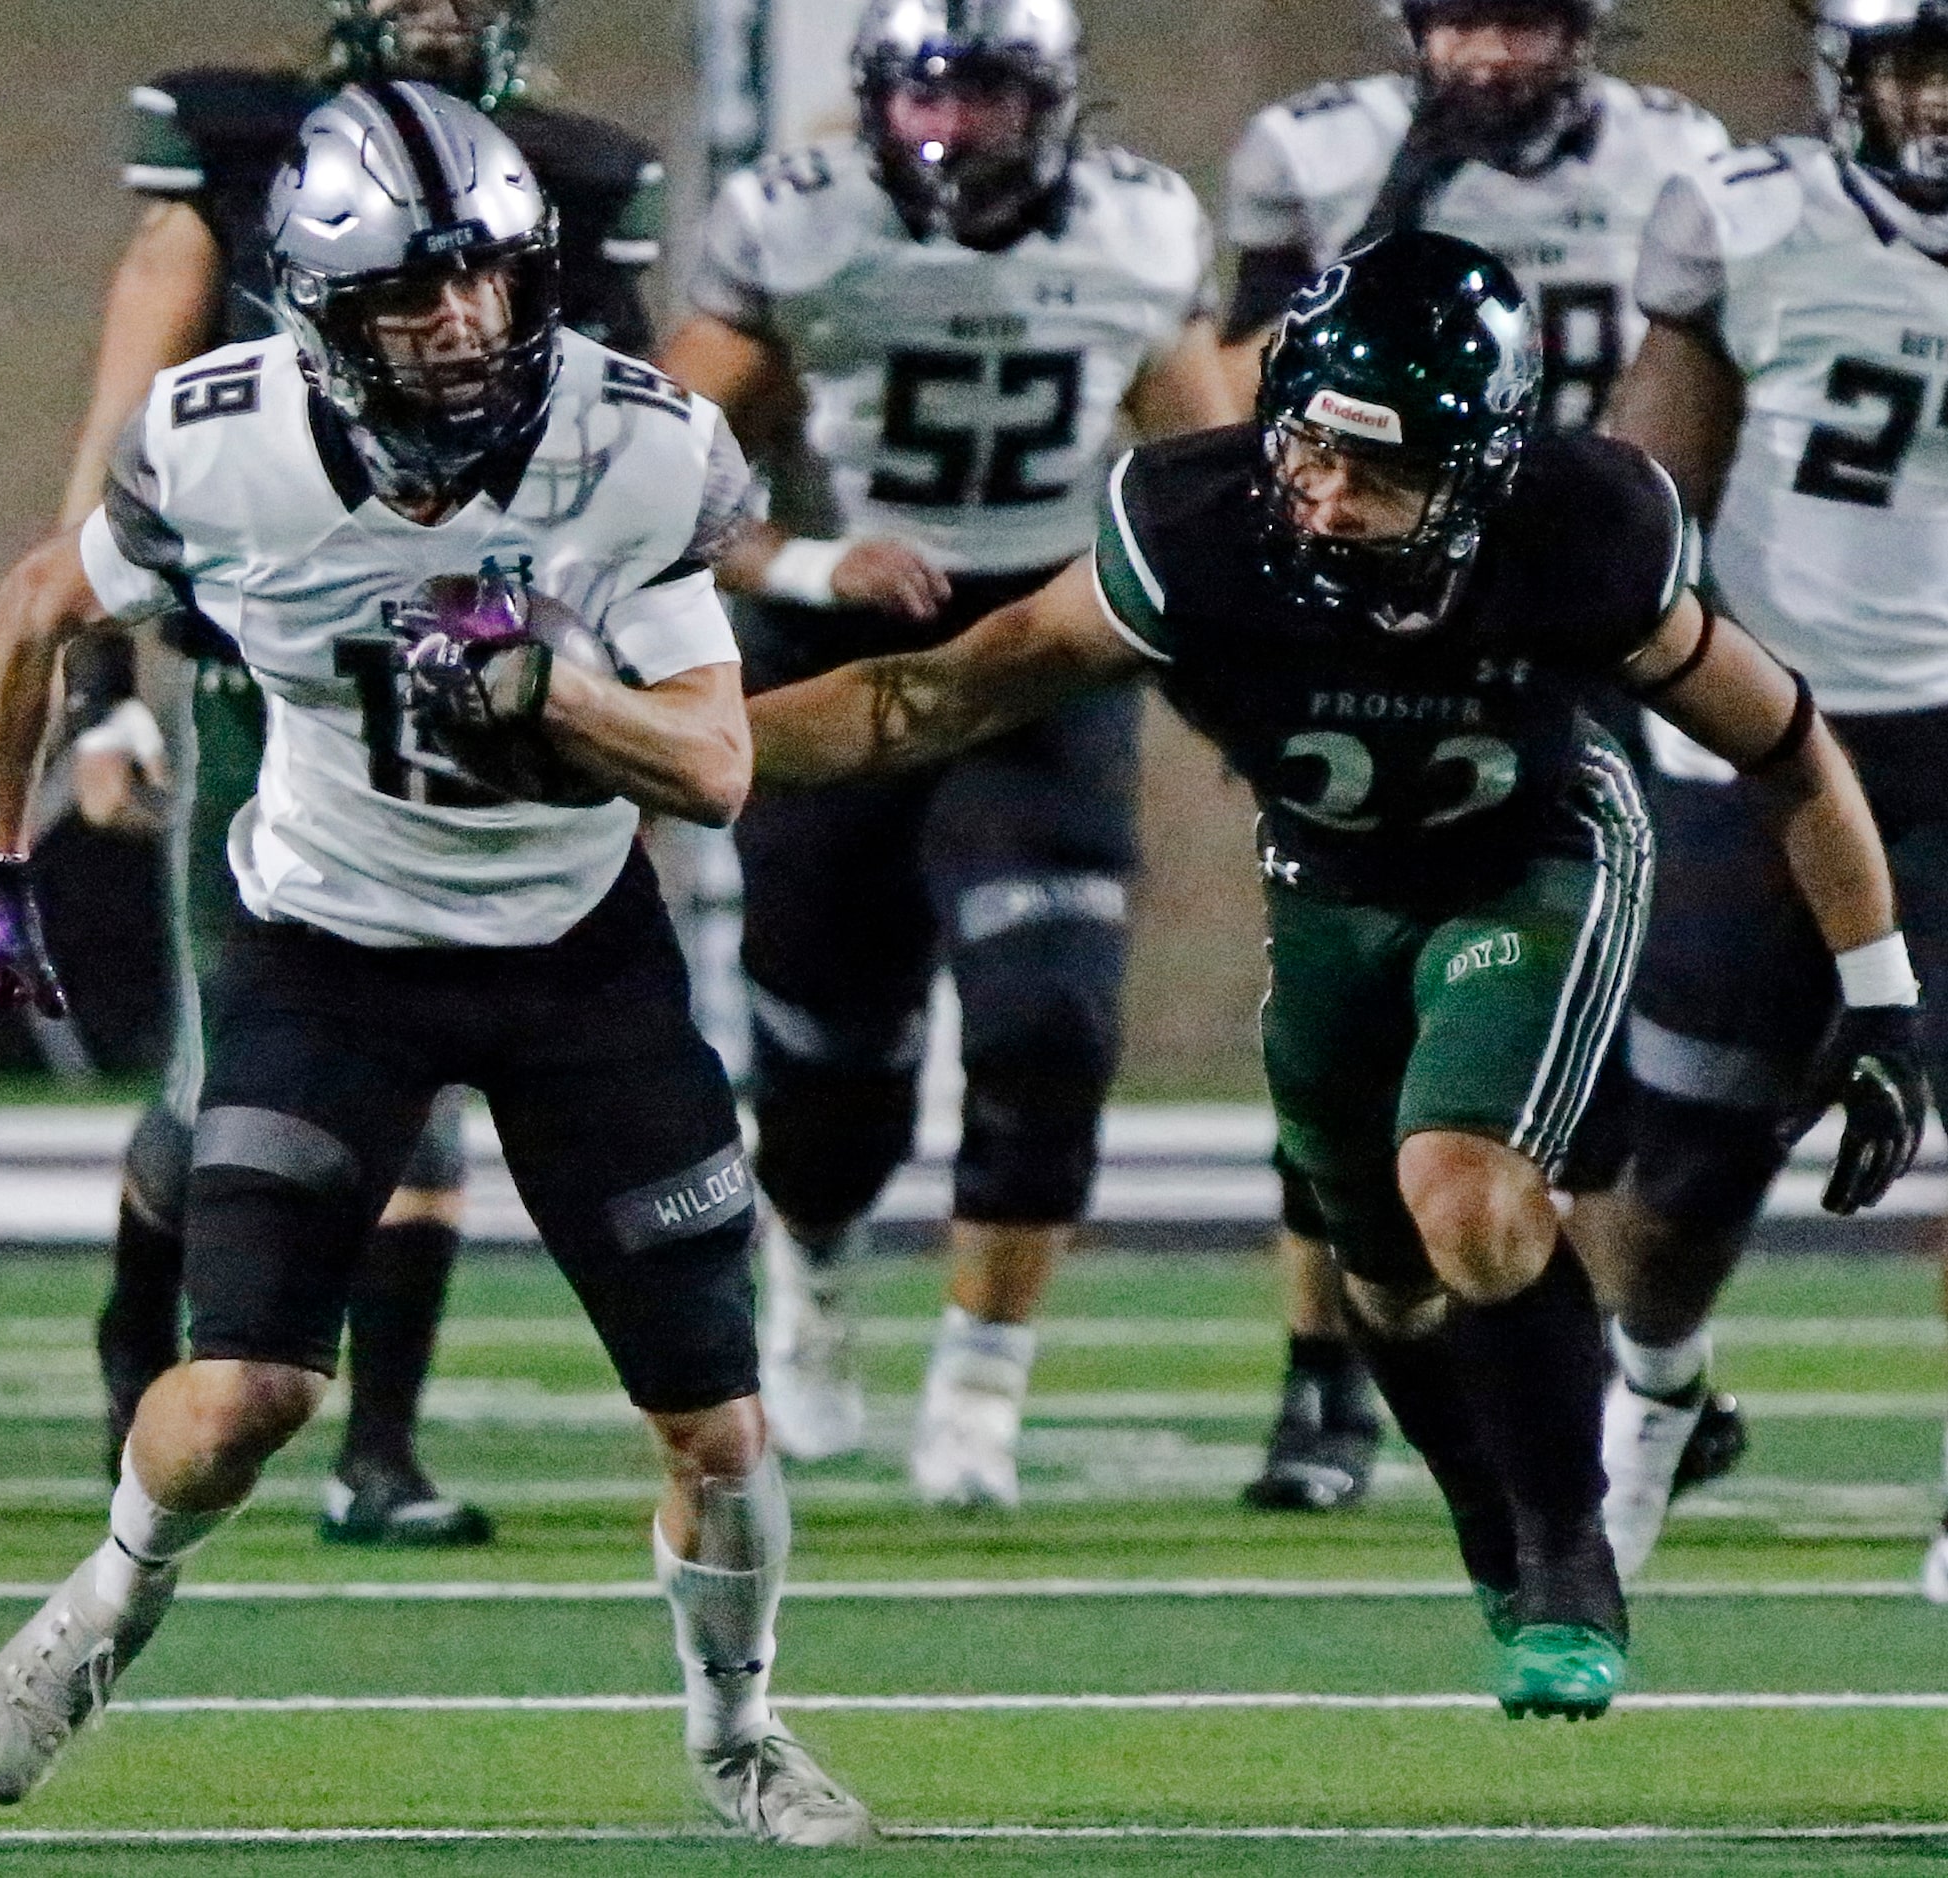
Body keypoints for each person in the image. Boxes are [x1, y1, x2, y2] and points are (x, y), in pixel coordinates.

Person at [745, 229, 1925, 1715]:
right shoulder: (1193, 523)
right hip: (1327, 885)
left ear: (1483, 470)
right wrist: (660, 744)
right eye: (1307, 451)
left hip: (1536, 853)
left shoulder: (1580, 527)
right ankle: (1491, 1534)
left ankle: (1571, 1555)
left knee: (1472, 1199)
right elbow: (924, 695)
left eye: (1378, 474)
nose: (1324, 496)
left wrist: (1874, 986)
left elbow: (1785, 742)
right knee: (1378, 1273)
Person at [0, 85, 868, 1844]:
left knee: (721, 1430)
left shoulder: (637, 442)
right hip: (327, 944)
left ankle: (739, 1731)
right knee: (243, 1402)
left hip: (569, 952)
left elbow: (717, 763)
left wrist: (556, 690)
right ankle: (104, 1604)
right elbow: (30, 610)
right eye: (410, 294)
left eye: (492, 282)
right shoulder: (218, 441)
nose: (464, 324)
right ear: (316, 305)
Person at [62, 0, 667, 1545]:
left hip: (472, 664)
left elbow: (639, 439)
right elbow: (125, 421)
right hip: (267, 671)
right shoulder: (234, 146)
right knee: (221, 1085)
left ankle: (377, 1449)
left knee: (424, 1052)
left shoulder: (575, 179)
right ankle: (140, 1348)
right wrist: (97, 683)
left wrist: (629, 669)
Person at [657, 0, 1234, 1508]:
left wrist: (1240, 668)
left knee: (1051, 1024)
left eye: (985, 93)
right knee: (830, 1064)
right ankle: (821, 1278)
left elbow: (1206, 478)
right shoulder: (796, 227)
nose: (949, 129)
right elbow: (654, 475)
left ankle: (980, 1381)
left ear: (1053, 103)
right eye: (922, 92)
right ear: (867, 100)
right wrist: (804, 566)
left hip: (1048, 643)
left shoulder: (1135, 231)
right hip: (837, 643)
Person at [1219, 0, 1738, 1514]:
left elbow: (1700, 390)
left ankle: (1580, 1364)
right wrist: (1399, 203)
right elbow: (1242, 377)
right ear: (1412, 29)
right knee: (1342, 1010)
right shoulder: (1318, 151)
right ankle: (1321, 1373)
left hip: (1565, 594)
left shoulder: (1676, 157)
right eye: (1463, 20)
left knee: (1583, 1041)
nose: (1491, 55)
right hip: (1364, 615)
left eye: (1524, 20)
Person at [1576, 0, 1948, 1590]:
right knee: (1688, 1167)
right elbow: (1641, 502)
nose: (1939, 100)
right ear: (1846, 76)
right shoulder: (1754, 220)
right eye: (1914, 64)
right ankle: (1656, 1388)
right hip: (1766, 738)